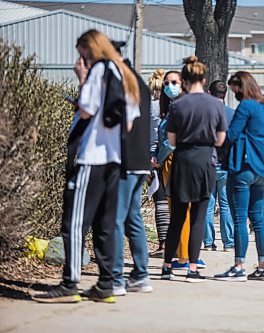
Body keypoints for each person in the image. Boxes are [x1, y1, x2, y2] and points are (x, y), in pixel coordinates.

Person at [33, 29, 140, 303]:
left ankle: (70, 284)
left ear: (88, 49)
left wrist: (81, 79)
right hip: (114, 161)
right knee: (104, 224)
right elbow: (128, 122)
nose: (80, 58)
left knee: (74, 222)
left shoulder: (98, 71)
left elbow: (86, 110)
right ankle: (106, 285)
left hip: (91, 158)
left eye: (81, 52)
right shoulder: (125, 76)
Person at [160, 56, 226, 283]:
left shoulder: (177, 105)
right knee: (198, 217)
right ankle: (193, 268)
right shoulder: (216, 105)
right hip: (206, 161)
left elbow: (171, 139)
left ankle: (167, 265)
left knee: (177, 217)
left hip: (182, 161)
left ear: (185, 81)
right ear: (204, 79)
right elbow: (220, 139)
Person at [214, 71, 264, 282]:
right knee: (258, 219)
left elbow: (231, 135)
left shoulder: (246, 106)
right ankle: (263, 266)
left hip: (244, 166)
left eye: (235, 89)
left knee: (240, 217)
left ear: (241, 87)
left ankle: (239, 266)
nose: (233, 93)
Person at [111, 41, 153, 296]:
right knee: (132, 218)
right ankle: (140, 274)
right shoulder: (137, 79)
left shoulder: (121, 80)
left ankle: (115, 278)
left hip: (124, 160)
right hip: (139, 160)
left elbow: (122, 122)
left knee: (115, 219)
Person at [203, 80, 235, 252]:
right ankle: (228, 242)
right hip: (227, 165)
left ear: (209, 92)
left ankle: (208, 242)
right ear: (226, 94)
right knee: (226, 205)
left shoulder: (203, 114)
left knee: (208, 205)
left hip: (207, 163)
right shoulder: (233, 114)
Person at [147, 69, 170, 252]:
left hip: (151, 157)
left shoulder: (148, 107)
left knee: (159, 200)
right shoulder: (171, 107)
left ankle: (163, 241)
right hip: (169, 157)